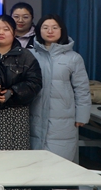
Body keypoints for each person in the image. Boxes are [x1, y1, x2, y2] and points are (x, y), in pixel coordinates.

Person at [0, 15, 42, 151]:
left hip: (16, 114)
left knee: (15, 158)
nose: (0, 32)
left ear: (14, 33)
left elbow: (35, 83)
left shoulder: (26, 56)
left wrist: (13, 92)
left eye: (6, 29)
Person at [30, 14, 91, 162]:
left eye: (54, 27)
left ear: (61, 30)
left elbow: (82, 88)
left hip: (63, 118)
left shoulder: (74, 58)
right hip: (35, 114)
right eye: (45, 27)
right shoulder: (30, 55)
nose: (50, 31)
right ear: (39, 31)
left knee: (60, 163)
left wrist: (82, 115)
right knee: (34, 162)